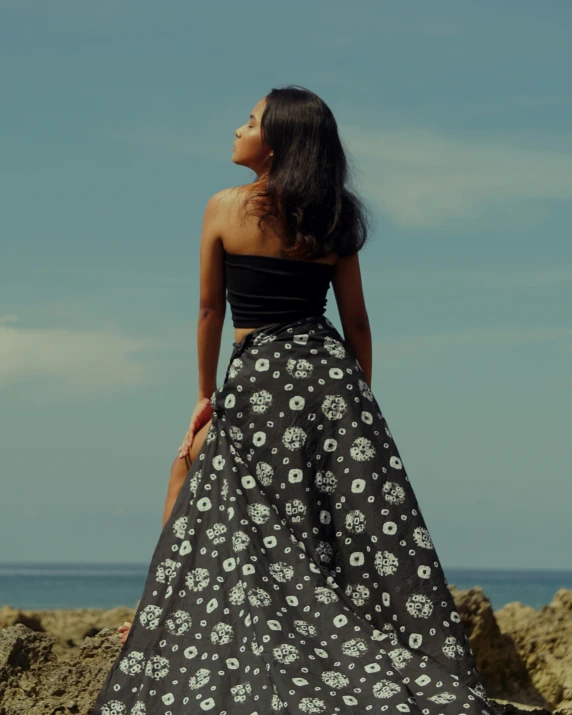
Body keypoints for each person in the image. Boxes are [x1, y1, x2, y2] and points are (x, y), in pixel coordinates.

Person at [92, 85, 500, 715]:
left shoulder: (224, 208)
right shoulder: (334, 216)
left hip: (258, 376)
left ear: (275, 143)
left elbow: (209, 310)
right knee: (336, 521)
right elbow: (358, 321)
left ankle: (199, 629)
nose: (237, 128)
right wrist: (356, 403)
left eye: (249, 120)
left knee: (239, 512)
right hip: (328, 375)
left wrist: (206, 393)